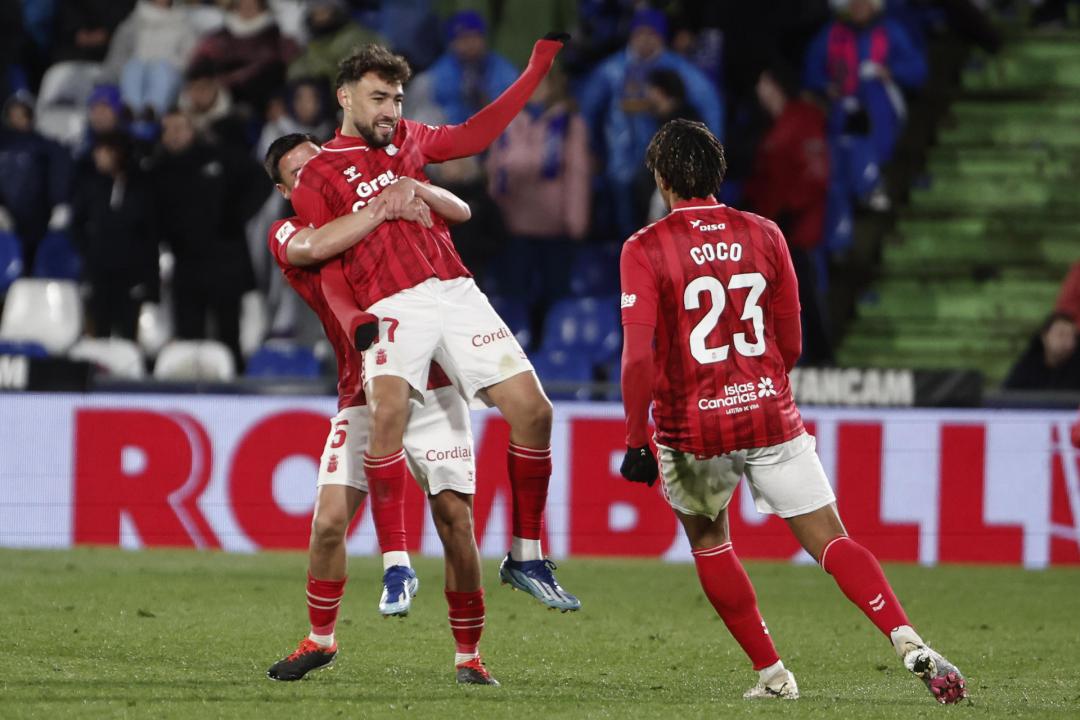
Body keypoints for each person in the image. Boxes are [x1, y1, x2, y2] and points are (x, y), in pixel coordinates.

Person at [617, 119, 967, 704]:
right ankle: (906, 637)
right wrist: (759, 383)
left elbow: (635, 360)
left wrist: (635, 439)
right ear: (718, 173)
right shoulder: (765, 234)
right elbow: (793, 344)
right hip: (769, 413)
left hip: (693, 427)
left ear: (660, 179)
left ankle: (774, 676)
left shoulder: (644, 247)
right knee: (832, 540)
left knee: (709, 540)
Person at [290, 37, 581, 613]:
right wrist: (355, 318)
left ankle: (525, 554)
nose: (390, 111)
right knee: (388, 419)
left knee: (534, 411)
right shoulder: (318, 174)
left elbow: (475, 134)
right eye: (378, 99)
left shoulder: (410, 140)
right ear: (345, 97)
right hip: (393, 301)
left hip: (455, 288)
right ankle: (396, 565)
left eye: (397, 99)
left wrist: (534, 70)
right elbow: (323, 266)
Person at [262, 133, 500, 685]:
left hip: (432, 383)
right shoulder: (291, 231)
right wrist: (384, 203)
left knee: (455, 521)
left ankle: (469, 655)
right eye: (298, 175)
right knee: (327, 524)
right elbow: (316, 249)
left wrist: (400, 195)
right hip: (361, 391)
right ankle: (320, 640)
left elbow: (456, 214)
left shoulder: (386, 197)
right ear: (283, 190)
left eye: (318, 165)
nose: (313, 178)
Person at [579, 8, 723, 239]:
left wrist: (710, 157)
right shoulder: (612, 70)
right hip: (619, 164)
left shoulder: (680, 70)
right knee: (624, 230)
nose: (645, 39)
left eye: (652, 34)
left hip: (665, 168)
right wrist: (587, 149)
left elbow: (710, 107)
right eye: (640, 33)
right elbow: (586, 110)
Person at [150, 108, 268, 370]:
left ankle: (234, 393)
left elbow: (261, 179)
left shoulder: (219, 157)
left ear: (192, 130)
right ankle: (190, 396)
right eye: (167, 129)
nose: (173, 135)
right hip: (185, 264)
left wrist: (238, 216)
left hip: (224, 261)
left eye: (179, 128)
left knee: (228, 333)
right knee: (188, 336)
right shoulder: (158, 169)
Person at [743, 65, 833, 366]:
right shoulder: (776, 125)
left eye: (762, 82)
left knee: (804, 294)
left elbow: (814, 176)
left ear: (774, 86)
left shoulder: (803, 121)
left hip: (795, 229)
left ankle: (823, 361)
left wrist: (787, 214)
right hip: (773, 230)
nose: (758, 90)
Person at [71, 131, 158, 340]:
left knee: (128, 334)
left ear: (117, 153)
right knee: (100, 331)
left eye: (103, 151)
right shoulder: (92, 186)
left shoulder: (142, 188)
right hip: (99, 272)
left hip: (130, 275)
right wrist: (90, 250)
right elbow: (76, 224)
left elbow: (150, 234)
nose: (97, 156)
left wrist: (145, 276)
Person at [1003, 312, 1080, 391]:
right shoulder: (1028, 365)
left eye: (1072, 337)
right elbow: (1007, 395)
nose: (1068, 342)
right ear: (1044, 337)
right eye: (1061, 335)